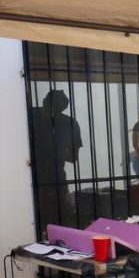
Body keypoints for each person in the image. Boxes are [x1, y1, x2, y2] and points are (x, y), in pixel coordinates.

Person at [32, 89, 82, 230]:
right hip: (36, 176)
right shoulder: (30, 116)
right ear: (44, 102)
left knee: (60, 216)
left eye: (56, 110)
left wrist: (53, 150)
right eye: (49, 107)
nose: (51, 113)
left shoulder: (69, 123)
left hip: (55, 177)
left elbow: (73, 156)